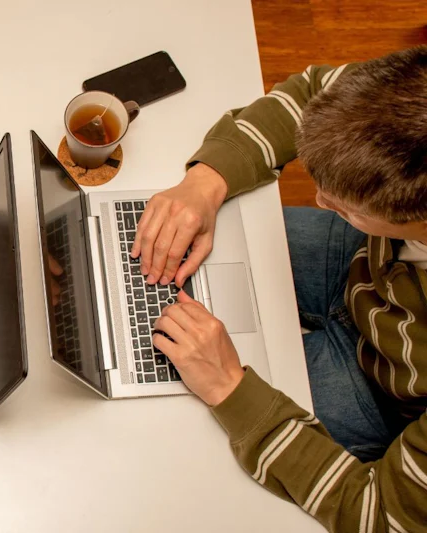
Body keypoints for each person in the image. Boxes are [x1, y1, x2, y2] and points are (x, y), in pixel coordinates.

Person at [134, 46, 427, 531]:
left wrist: (230, 387)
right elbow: (314, 92)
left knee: (181, 429)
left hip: (384, 396)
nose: (317, 201)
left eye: (343, 208)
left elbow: (381, 516)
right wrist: (208, 180)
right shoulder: (409, 92)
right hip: (362, 269)